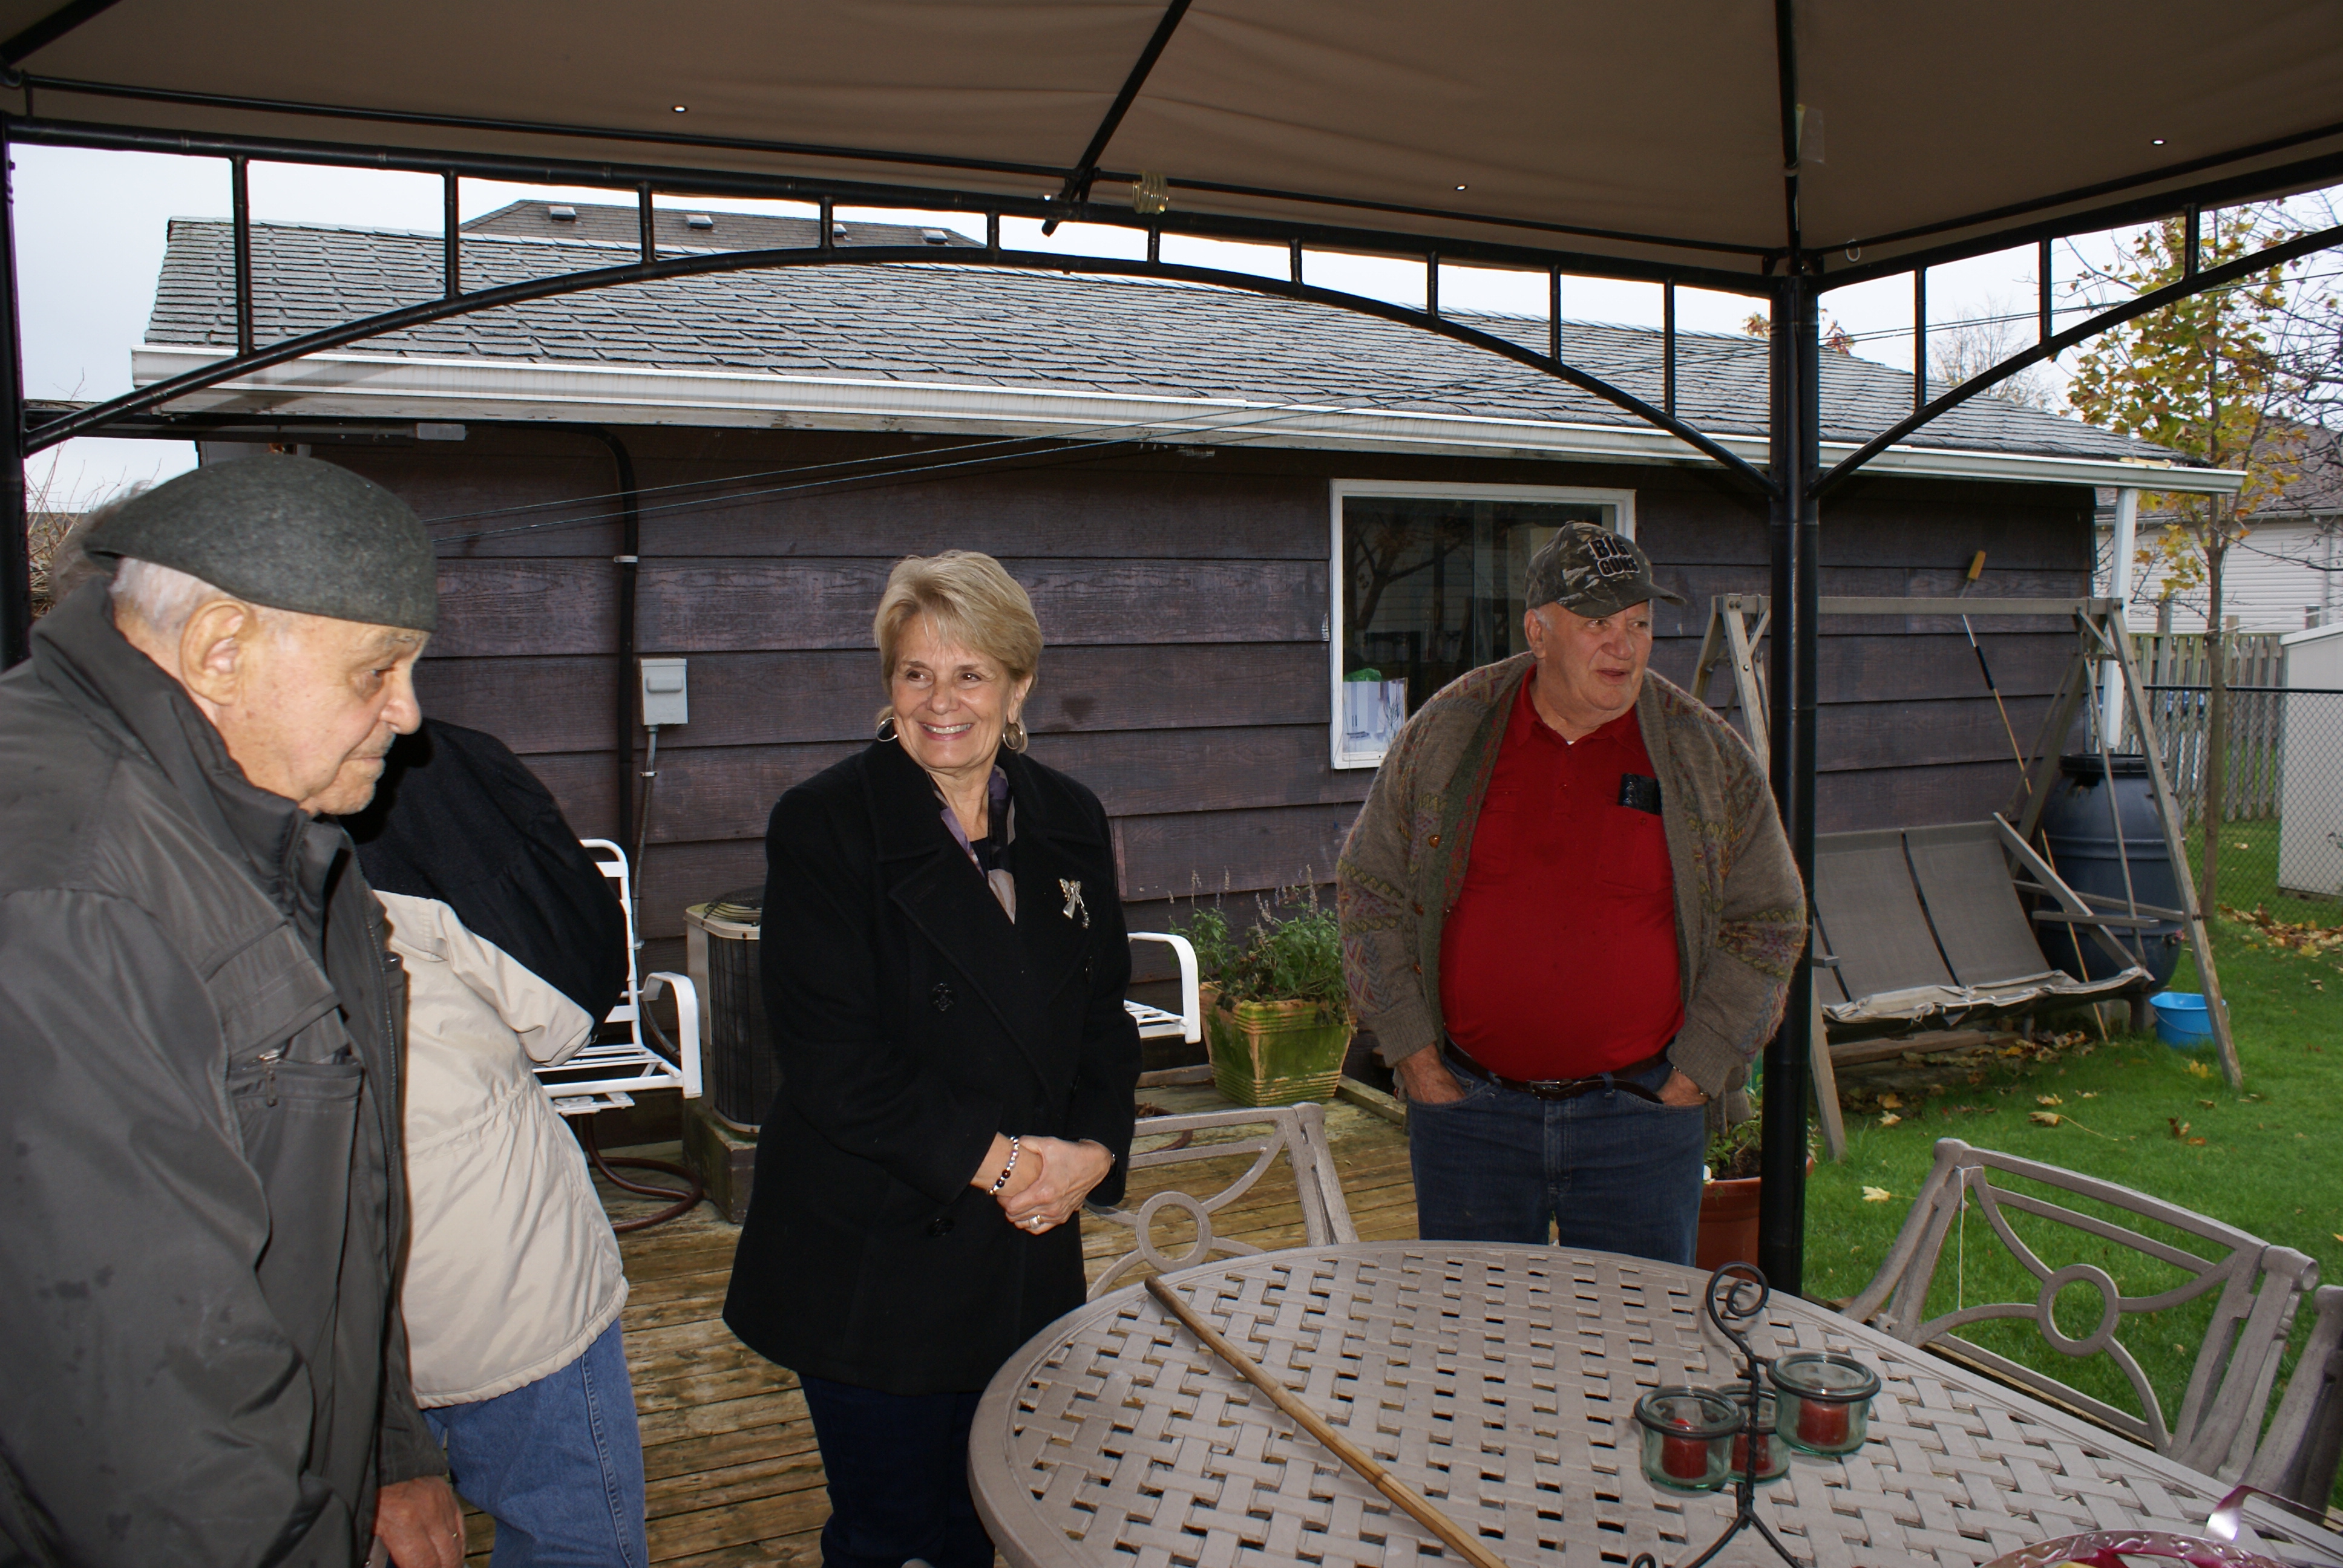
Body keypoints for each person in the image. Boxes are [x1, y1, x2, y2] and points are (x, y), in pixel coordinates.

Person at [0, 456, 459, 1565]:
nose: (408, 714)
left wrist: (387, 1447)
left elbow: (338, 1212)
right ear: (220, 649)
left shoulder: (263, 826)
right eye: (378, 669)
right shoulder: (71, 891)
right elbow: (147, 1429)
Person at [724, 550, 1141, 1568]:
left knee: (990, 1519)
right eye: (916, 673)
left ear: (1018, 685)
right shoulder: (825, 824)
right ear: (889, 686)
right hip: (876, 1257)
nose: (941, 701)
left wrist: (1093, 1150)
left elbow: (1103, 1016)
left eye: (969, 674)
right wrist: (1011, 1165)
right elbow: (833, 1061)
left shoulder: (1070, 817)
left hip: (1024, 1248)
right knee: (893, 1537)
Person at [1335, 521, 1806, 1266]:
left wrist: (1696, 1073)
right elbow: (1370, 891)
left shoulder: (1703, 754)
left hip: (1641, 1122)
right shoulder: (1450, 733)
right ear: (1538, 632)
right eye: (1597, 624)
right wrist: (1414, 1059)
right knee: (1473, 1330)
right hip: (1469, 1117)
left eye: (1638, 624)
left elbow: (1769, 919)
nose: (1623, 646)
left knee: (1639, 1335)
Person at [343, 719, 647, 1567]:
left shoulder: (115, 801)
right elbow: (562, 1010)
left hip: (310, 1335)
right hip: (498, 1280)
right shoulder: (425, 773)